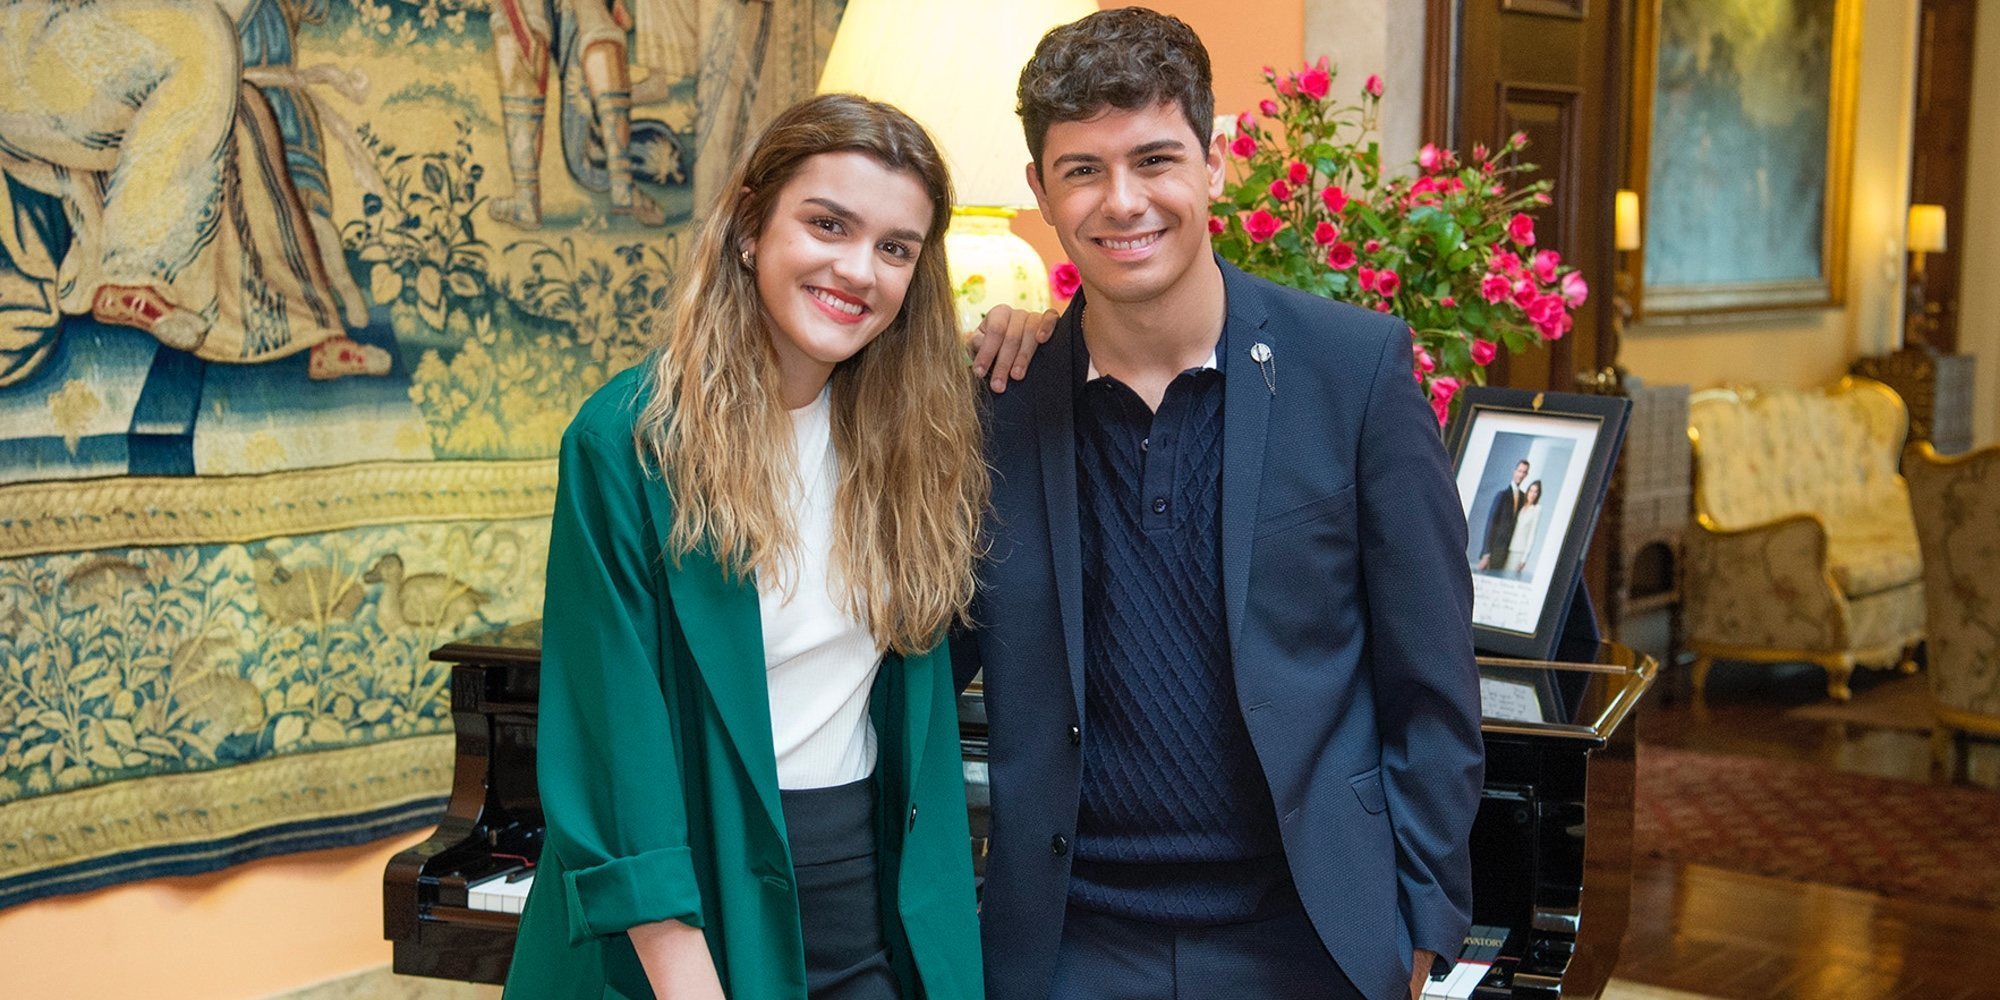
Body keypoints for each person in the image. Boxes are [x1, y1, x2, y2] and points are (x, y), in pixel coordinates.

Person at [954, 9, 1484, 1000]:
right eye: (1080, 170)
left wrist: (1418, 922)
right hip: (1068, 944)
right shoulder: (993, 406)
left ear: (1215, 161)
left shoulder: (1352, 369)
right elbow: (914, 670)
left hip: (1307, 936)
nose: (1122, 202)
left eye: (1154, 158)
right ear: (1038, 192)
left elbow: (1432, 683)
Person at [502, 93, 992, 1000]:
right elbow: (616, 744)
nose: (858, 270)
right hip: (689, 917)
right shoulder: (630, 442)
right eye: (827, 224)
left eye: (895, 247)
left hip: (876, 901)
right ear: (747, 229)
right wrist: (685, 976)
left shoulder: (921, 441)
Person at [1477, 459, 1530, 573]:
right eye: (1519, 471)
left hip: (1511, 551)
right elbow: (1491, 524)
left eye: (1524, 472)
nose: (1521, 475)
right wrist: (1486, 553)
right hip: (1496, 550)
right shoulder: (1502, 495)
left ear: (1526, 475)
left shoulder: (1524, 497)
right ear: (1514, 471)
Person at [1506, 480, 1544, 576]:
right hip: (1508, 547)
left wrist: (1524, 559)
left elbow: (1532, 534)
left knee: (1511, 577)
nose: (1532, 494)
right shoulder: (1521, 507)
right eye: (1531, 491)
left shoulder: (1536, 509)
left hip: (1519, 551)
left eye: (1536, 492)